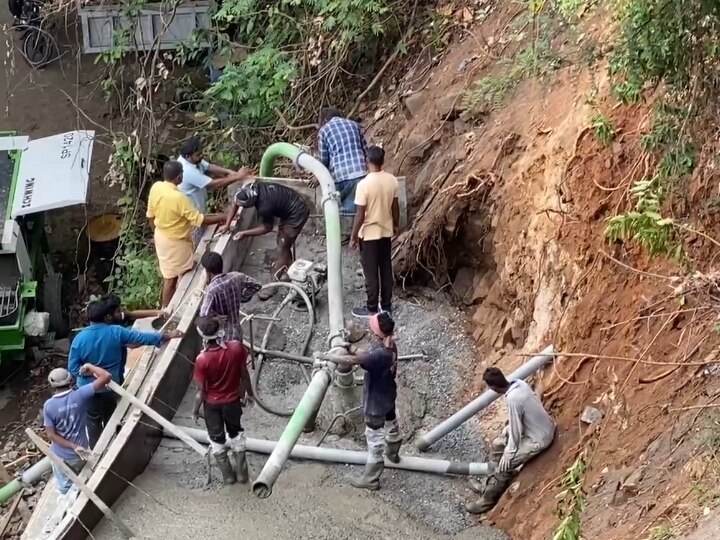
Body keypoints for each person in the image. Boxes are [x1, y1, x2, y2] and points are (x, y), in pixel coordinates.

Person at [68, 297, 183, 448]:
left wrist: (89, 373)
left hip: (87, 388)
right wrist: (167, 335)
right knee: (111, 417)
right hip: (110, 385)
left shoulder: (79, 339)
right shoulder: (116, 331)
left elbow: (73, 368)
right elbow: (142, 337)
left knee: (93, 420)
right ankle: (111, 446)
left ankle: (96, 451)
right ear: (107, 316)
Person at [315, 312, 401, 490]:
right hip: (388, 396)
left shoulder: (379, 355)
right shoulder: (390, 346)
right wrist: (351, 347)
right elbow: (366, 355)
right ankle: (393, 455)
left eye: (371, 328)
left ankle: (371, 478)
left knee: (374, 439)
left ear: (377, 333)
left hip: (375, 403)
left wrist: (327, 357)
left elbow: (354, 360)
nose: (369, 330)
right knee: (392, 425)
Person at [465, 367, 556, 514]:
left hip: (539, 438)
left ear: (493, 387)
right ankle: (489, 484)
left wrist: (509, 452)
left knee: (504, 465)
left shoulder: (513, 398)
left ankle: (487, 500)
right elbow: (517, 421)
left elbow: (516, 430)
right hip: (541, 427)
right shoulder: (519, 383)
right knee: (497, 445)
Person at [42, 364, 111, 533]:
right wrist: (90, 366)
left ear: (52, 384)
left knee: (65, 487)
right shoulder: (80, 394)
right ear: (70, 380)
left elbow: (51, 435)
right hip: (81, 451)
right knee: (81, 480)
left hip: (61, 455)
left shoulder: (49, 406)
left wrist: (72, 446)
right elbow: (106, 376)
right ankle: (80, 505)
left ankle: (67, 517)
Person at [147, 160, 226, 307]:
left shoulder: (156, 187)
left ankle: (168, 306)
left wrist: (156, 234)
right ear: (178, 177)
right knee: (171, 278)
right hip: (174, 242)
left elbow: (150, 216)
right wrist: (223, 217)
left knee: (178, 271)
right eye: (182, 173)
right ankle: (166, 310)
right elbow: (199, 220)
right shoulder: (178, 198)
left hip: (162, 236)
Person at [191, 317, 254, 485]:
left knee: (217, 439)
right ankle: (242, 475)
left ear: (204, 337)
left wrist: (195, 410)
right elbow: (244, 374)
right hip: (233, 401)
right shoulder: (236, 348)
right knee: (236, 434)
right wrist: (250, 394)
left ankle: (228, 477)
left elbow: (201, 391)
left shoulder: (202, 360)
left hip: (212, 405)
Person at [226, 181, 310, 300]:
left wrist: (244, 233)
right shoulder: (249, 187)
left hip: (297, 213)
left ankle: (273, 285)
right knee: (283, 243)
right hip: (290, 205)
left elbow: (266, 228)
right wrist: (227, 224)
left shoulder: (264, 207)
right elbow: (235, 202)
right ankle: (289, 269)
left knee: (282, 246)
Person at [350, 146, 399, 318]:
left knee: (371, 274)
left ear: (367, 161)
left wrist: (353, 236)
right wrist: (396, 225)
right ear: (382, 161)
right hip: (386, 232)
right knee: (386, 269)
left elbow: (360, 214)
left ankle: (371, 308)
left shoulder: (363, 185)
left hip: (369, 234)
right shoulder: (392, 180)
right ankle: (386, 305)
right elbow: (395, 207)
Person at [177, 137, 254, 244]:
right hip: (192, 218)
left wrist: (230, 172)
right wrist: (237, 177)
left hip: (199, 210)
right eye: (198, 155)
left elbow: (208, 166)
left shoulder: (193, 160)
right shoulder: (187, 171)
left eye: (201, 153)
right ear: (188, 157)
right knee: (197, 243)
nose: (201, 156)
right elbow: (211, 185)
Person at [199, 252, 262, 341]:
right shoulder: (236, 276)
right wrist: (242, 297)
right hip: (237, 332)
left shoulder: (211, 290)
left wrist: (215, 319)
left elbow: (204, 315)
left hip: (222, 337)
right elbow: (257, 285)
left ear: (207, 271)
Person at [317, 107, 368, 213]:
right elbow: (366, 151)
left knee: (341, 211)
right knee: (359, 208)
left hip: (340, 176)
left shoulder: (324, 130)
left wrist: (317, 175)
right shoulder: (354, 125)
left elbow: (324, 160)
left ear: (325, 120)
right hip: (361, 172)